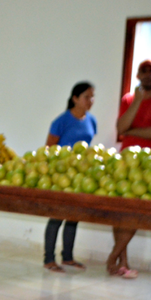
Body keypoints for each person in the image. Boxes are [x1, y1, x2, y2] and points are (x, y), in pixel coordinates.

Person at [107, 59, 151, 279]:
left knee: (135, 213)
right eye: (142, 71)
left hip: (150, 166)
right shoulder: (129, 99)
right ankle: (123, 262)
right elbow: (120, 128)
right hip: (125, 163)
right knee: (119, 214)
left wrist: (132, 131)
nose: (146, 75)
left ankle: (112, 257)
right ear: (137, 76)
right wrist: (136, 102)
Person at [43, 81, 97, 272]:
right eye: (86, 97)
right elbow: (49, 150)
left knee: (74, 216)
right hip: (62, 174)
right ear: (75, 98)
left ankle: (68, 257)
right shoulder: (61, 121)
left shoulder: (92, 121)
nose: (90, 100)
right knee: (57, 215)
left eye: (92, 97)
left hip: (81, 174)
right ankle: (49, 259)